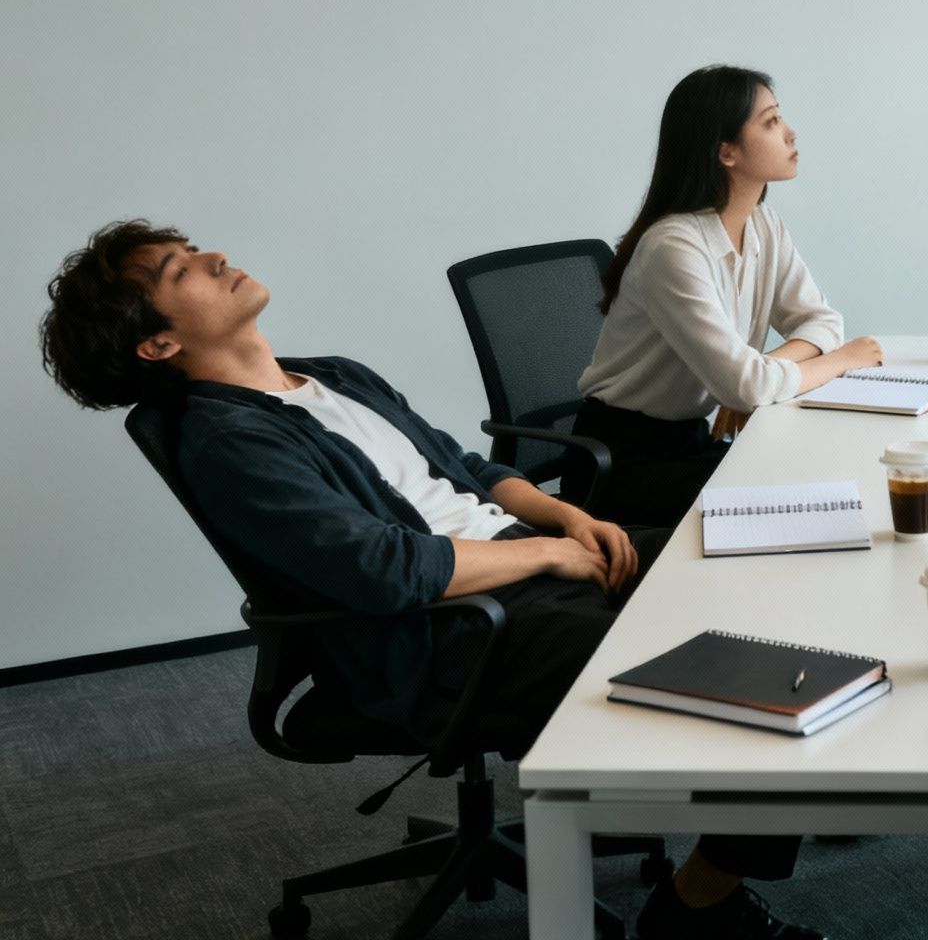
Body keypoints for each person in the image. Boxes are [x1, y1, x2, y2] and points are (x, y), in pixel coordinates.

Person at [40, 220, 824, 940]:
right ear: (156, 345)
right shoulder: (229, 441)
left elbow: (470, 470)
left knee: (778, 565)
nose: (216, 258)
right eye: (184, 272)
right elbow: (385, 568)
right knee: (747, 680)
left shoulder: (334, 376)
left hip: (526, 558)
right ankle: (700, 906)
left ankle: (746, 842)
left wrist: (561, 520)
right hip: (454, 630)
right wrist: (546, 556)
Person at [571, 65, 883, 526]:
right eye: (771, 122)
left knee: (816, 487)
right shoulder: (672, 248)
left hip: (692, 443)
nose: (790, 133)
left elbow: (820, 321)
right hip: (624, 465)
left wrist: (759, 375)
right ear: (726, 152)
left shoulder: (763, 225)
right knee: (805, 499)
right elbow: (753, 381)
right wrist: (842, 360)